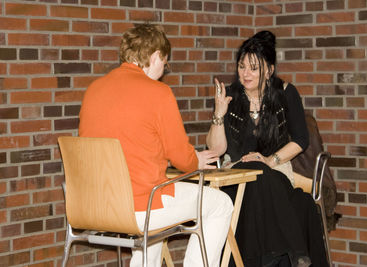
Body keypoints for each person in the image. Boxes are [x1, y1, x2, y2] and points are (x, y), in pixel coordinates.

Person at [79, 23, 233, 267]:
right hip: (141, 206)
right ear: (155, 56)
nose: (163, 70)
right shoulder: (158, 92)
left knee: (153, 224)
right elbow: (183, 160)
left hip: (94, 205)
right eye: (165, 63)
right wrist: (196, 160)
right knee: (220, 204)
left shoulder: (93, 90)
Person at [206, 30, 329, 267]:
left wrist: (270, 160)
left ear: (269, 70)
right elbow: (216, 149)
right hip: (237, 174)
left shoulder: (286, 93)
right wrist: (218, 115)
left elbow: (301, 139)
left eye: (253, 68)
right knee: (258, 174)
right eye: (242, 67)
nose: (246, 73)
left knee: (294, 199)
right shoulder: (229, 95)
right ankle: (293, 252)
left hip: (276, 171)